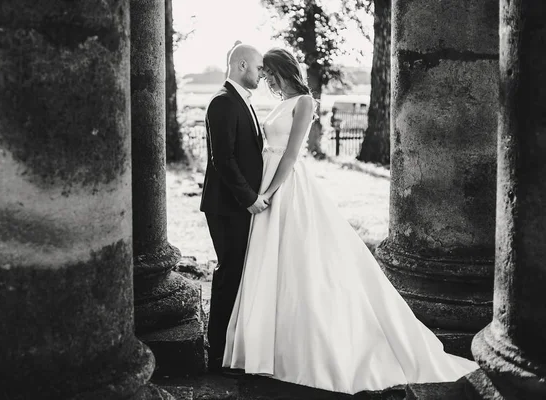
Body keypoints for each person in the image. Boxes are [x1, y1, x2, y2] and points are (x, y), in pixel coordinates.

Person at [222, 48, 479, 394]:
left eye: (268, 73)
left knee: (302, 266)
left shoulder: (303, 103)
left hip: (285, 189)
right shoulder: (281, 101)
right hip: (266, 188)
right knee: (270, 266)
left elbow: (293, 156)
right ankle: (265, 348)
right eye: (262, 73)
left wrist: (267, 193)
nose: (265, 79)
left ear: (281, 69)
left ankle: (309, 350)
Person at [199, 44, 268, 372]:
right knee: (229, 272)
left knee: (239, 271)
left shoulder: (242, 101)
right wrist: (249, 198)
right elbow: (222, 160)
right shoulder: (223, 102)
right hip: (227, 206)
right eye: (258, 68)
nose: (261, 73)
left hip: (237, 206)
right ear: (242, 65)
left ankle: (230, 344)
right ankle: (215, 351)